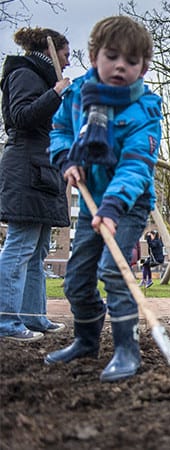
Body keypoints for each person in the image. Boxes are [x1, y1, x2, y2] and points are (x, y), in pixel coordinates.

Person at [44, 16, 162, 383]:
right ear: (94, 55)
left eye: (132, 61)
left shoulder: (145, 110)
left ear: (144, 66)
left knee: (115, 269)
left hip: (127, 203)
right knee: (76, 280)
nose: (121, 66)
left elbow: (135, 165)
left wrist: (112, 208)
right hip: (93, 198)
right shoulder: (78, 93)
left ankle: (127, 348)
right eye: (112, 56)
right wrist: (67, 159)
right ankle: (86, 340)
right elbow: (61, 130)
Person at [0, 27, 71, 342]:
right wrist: (55, 94)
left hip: (43, 171)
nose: (68, 62)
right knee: (20, 247)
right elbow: (20, 117)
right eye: (66, 55)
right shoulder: (25, 74)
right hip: (26, 170)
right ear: (51, 51)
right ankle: (6, 320)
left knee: (38, 249)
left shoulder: (41, 80)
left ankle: (33, 317)